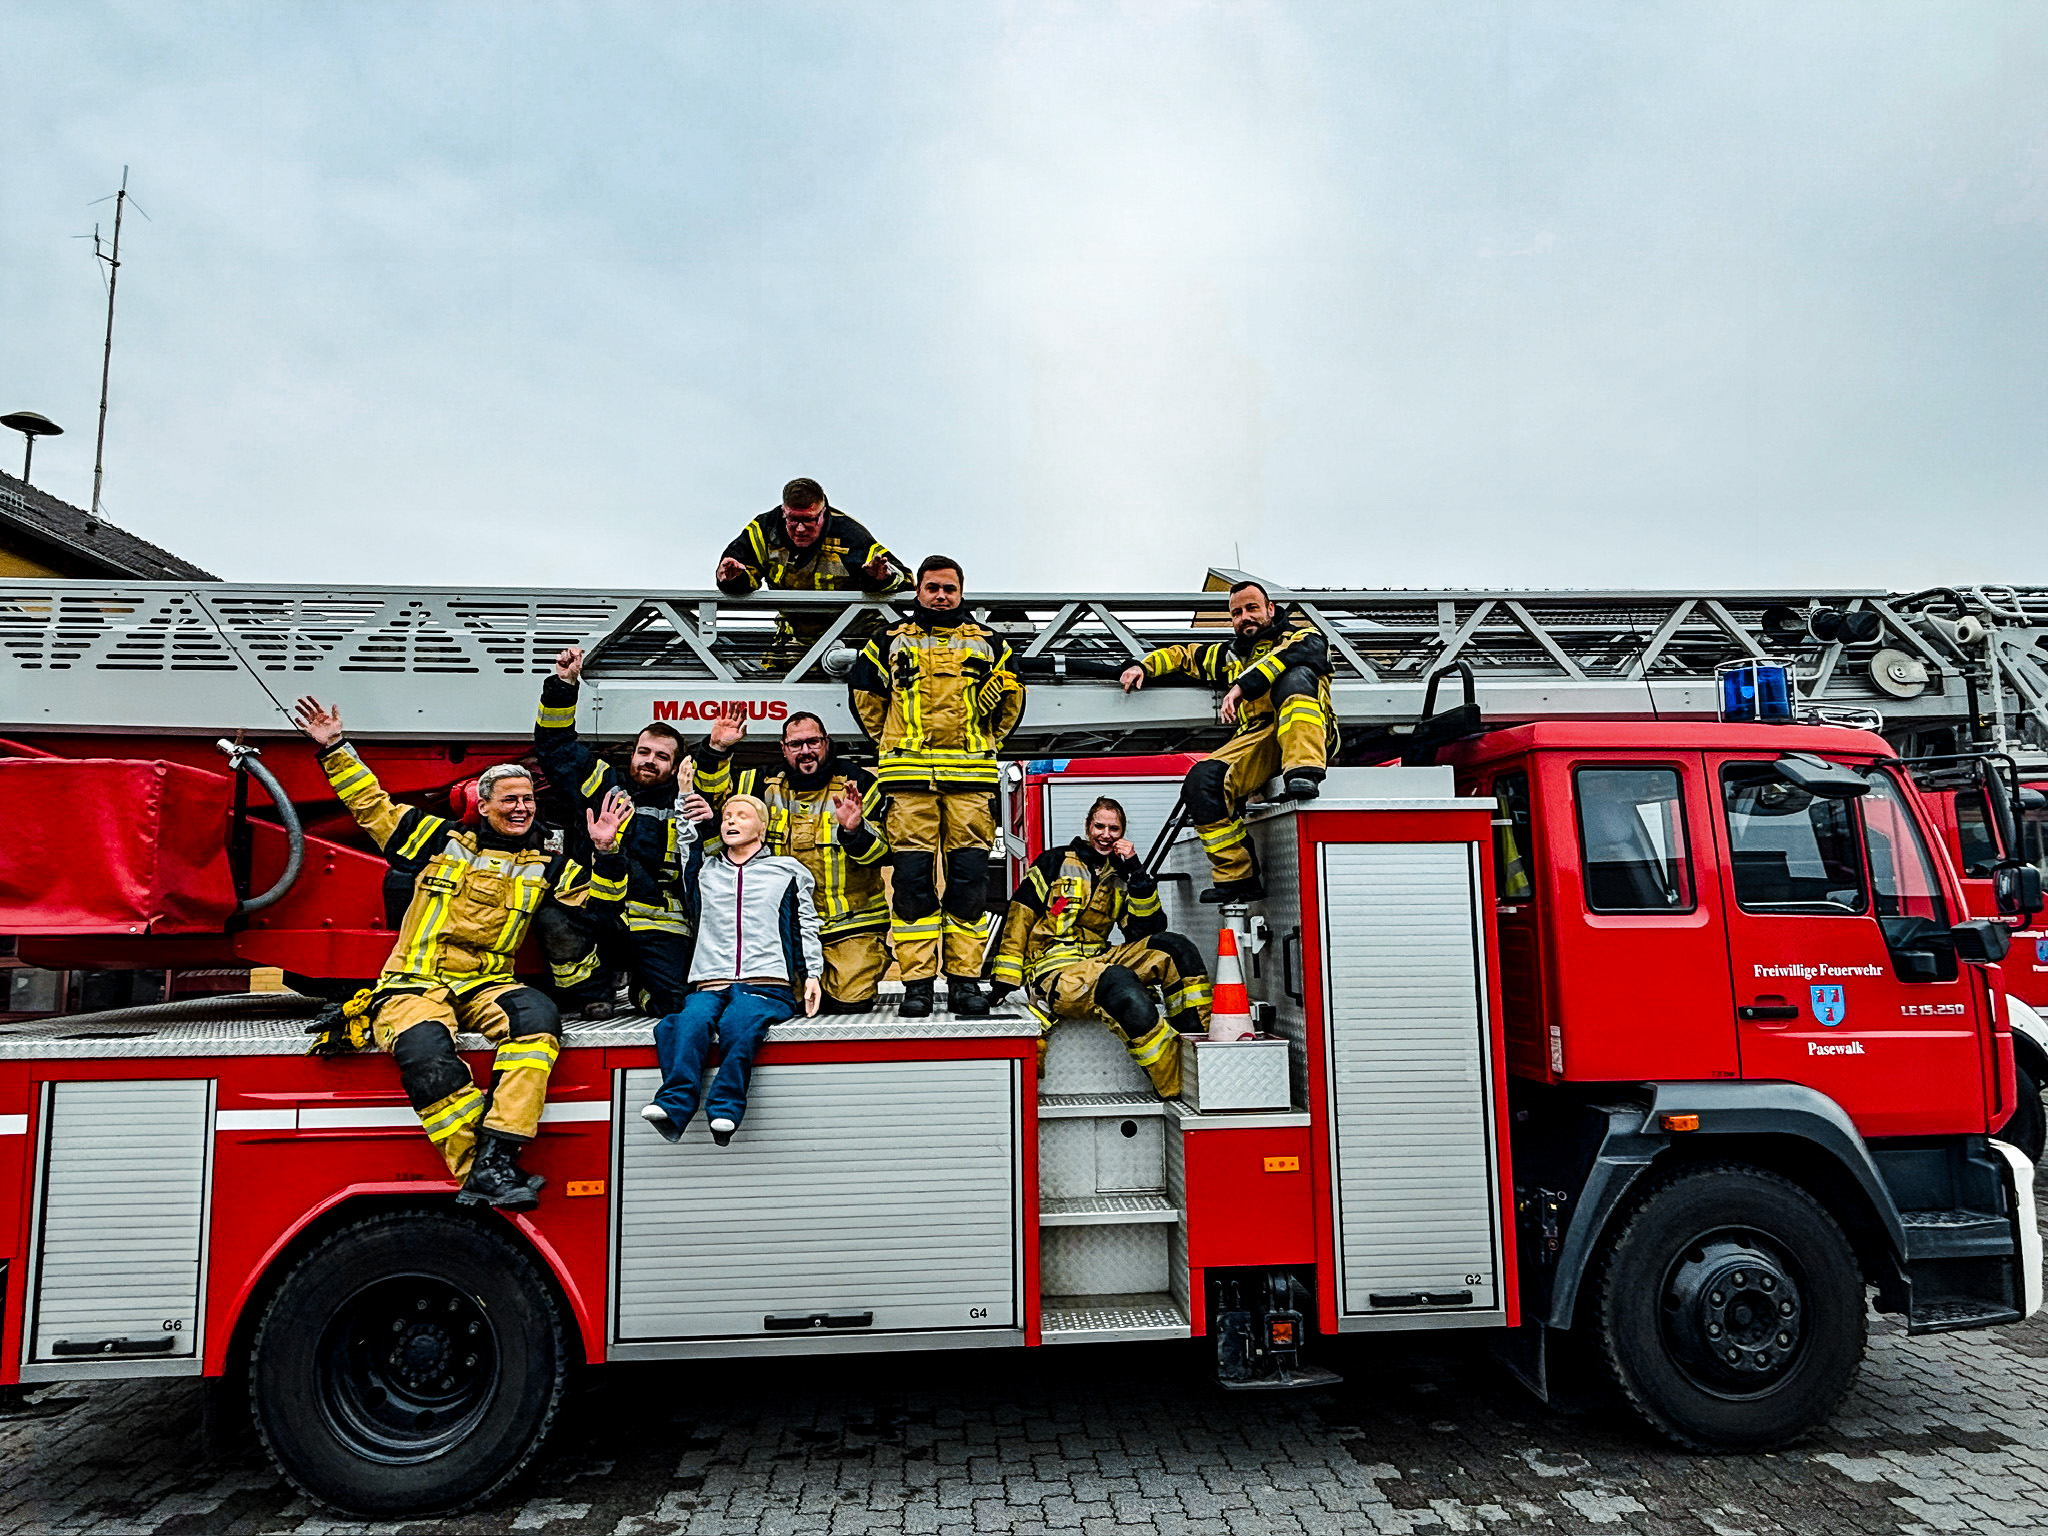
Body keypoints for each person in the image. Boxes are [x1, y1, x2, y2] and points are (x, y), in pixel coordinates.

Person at [291, 695, 630, 1209]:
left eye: (529, 801)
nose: (522, 808)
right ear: (485, 804)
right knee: (426, 1054)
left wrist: (606, 852)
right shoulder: (440, 841)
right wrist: (336, 748)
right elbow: (373, 807)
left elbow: (600, 907)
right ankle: (480, 1167)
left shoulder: (548, 863)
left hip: (486, 984)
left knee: (537, 1022)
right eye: (510, 800)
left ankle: (496, 1156)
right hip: (415, 980)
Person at [847, 555, 1025, 1018]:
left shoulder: (992, 644)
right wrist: (892, 743)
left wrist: (985, 742)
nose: (941, 595)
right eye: (932, 587)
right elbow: (866, 699)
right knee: (911, 886)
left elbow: (1013, 701)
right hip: (908, 783)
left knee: (968, 885)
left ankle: (965, 983)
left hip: (969, 783)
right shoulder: (886, 641)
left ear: (961, 592)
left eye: (949, 588)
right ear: (918, 591)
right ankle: (918, 986)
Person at [1120, 579, 1335, 903]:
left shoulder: (1300, 637)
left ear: (1270, 610)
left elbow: (1303, 655)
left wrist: (1242, 686)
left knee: (1293, 677)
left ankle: (1303, 771)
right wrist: (1142, 666)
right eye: (1236, 612)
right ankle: (1238, 877)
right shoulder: (1230, 655)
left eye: (1252, 608)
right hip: (1259, 737)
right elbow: (1183, 657)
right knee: (1201, 781)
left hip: (1307, 733)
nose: (1245, 617)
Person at [988, 796, 1211, 1096]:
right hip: (1055, 971)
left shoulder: (1120, 875)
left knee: (1175, 948)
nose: (1106, 835)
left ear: (1122, 833)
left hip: (1099, 958)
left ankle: (1199, 1050)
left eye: (1114, 829)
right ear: (1088, 826)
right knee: (1119, 982)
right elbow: (1020, 917)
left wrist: (1136, 871)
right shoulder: (1055, 862)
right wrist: (1005, 981)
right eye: (1100, 826)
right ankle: (1173, 1083)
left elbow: (1146, 929)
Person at [533, 645, 713, 1018]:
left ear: (675, 764)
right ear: (632, 753)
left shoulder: (684, 803)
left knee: (672, 1005)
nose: (650, 761)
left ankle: (640, 992)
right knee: (554, 919)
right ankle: (591, 991)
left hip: (657, 917)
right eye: (644, 752)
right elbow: (556, 748)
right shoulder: (604, 783)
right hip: (599, 907)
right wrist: (564, 685)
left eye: (662, 757)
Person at [643, 793, 823, 1146]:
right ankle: (674, 1105)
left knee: (738, 1024)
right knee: (687, 1022)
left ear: (762, 826)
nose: (731, 821)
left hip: (766, 983)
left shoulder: (787, 870)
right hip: (710, 982)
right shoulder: (705, 871)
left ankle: (725, 1108)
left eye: (742, 815)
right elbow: (687, 840)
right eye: (727, 815)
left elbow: (805, 923)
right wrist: (683, 798)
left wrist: (812, 974)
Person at [694, 708, 892, 1012]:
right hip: (785, 931)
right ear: (783, 749)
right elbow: (715, 800)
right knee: (787, 1006)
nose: (805, 751)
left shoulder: (859, 783)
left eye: (812, 742)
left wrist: (854, 831)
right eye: (796, 745)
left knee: (847, 1005)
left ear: (826, 742)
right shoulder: (758, 784)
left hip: (850, 929)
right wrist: (717, 750)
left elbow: (883, 854)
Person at [714, 478, 909, 666]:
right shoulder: (764, 530)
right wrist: (735, 578)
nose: (800, 529)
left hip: (854, 638)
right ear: (784, 512)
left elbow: (905, 579)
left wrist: (882, 577)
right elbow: (737, 569)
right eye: (792, 519)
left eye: (808, 520)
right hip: (795, 642)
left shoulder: (849, 535)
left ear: (823, 512)